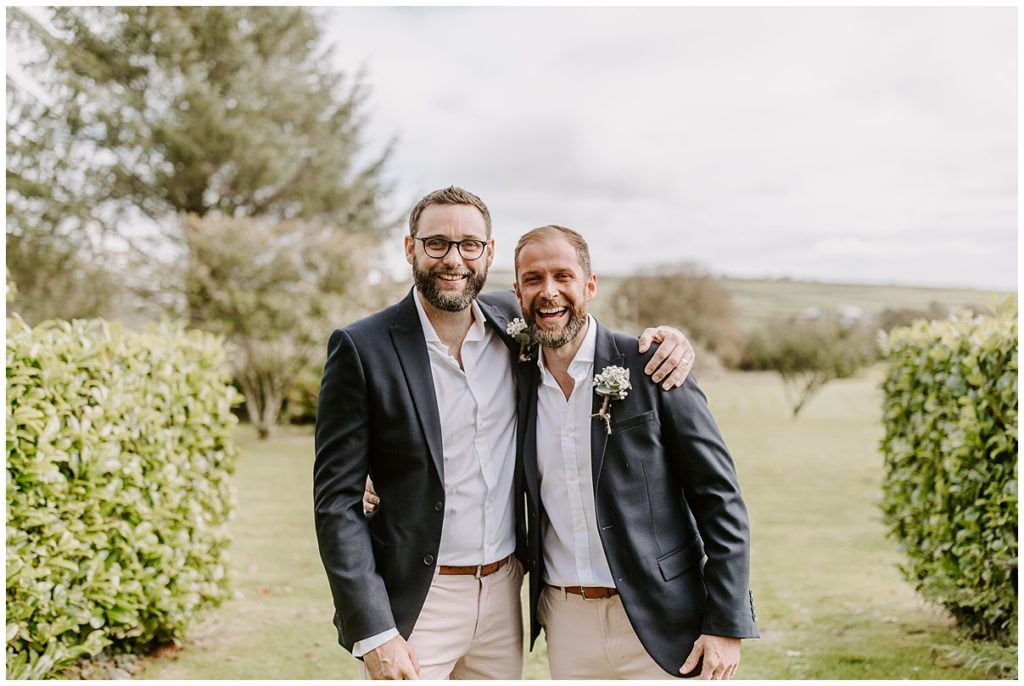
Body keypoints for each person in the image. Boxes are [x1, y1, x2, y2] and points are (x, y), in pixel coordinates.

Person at [313, 187, 695, 680]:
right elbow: (335, 502)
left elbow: (579, 327)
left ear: (489, 253)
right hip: (416, 603)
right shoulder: (362, 348)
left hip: (504, 597)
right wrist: (374, 631)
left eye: (469, 244)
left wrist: (668, 339)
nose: (454, 259)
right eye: (436, 243)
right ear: (410, 249)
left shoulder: (513, 325)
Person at [513, 225, 758, 680]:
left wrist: (726, 624)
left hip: (663, 618)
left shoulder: (651, 365)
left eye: (563, 276)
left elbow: (719, 498)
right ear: (516, 291)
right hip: (566, 623)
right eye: (533, 279)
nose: (549, 292)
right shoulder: (516, 376)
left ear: (590, 285)